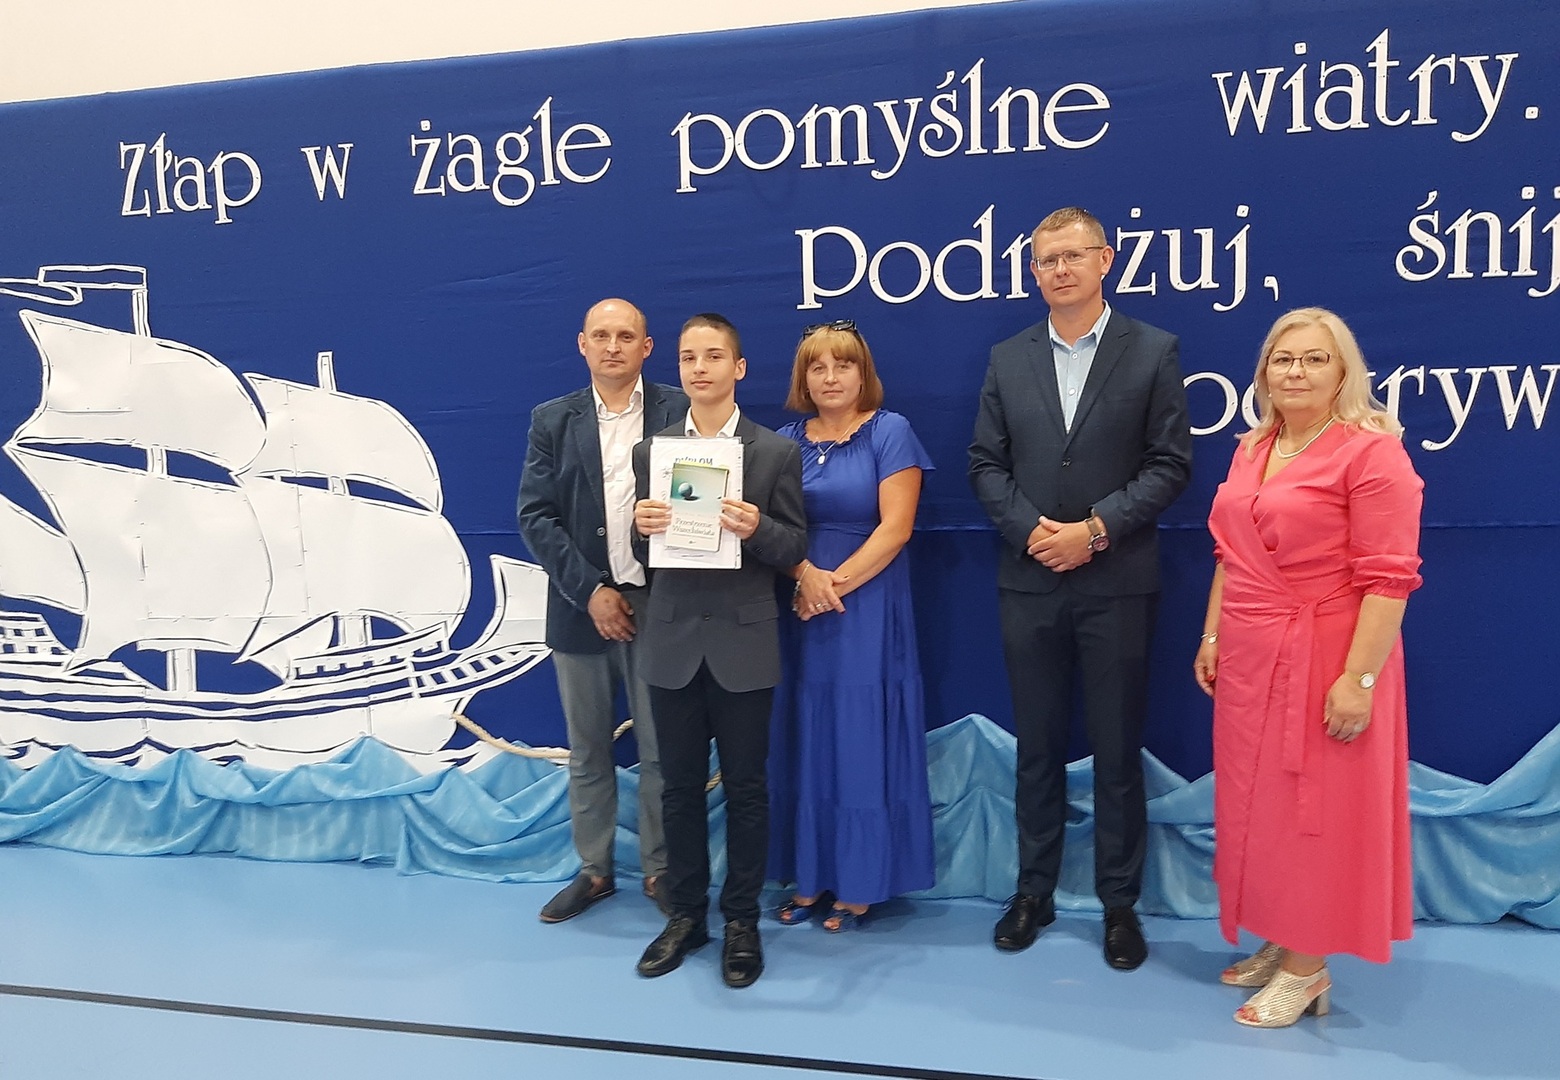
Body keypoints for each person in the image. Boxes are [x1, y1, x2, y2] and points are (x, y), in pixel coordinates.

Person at [968, 206, 1192, 971]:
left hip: (1117, 582)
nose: (1059, 270)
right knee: (1036, 746)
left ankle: (1119, 904)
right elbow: (984, 464)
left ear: (1105, 260)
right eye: (1046, 260)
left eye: (1072, 256)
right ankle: (1033, 892)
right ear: (1034, 272)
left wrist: (1093, 532)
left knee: (1116, 749)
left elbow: (1170, 464)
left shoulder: (1152, 349)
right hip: (1029, 578)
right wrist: (1032, 531)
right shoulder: (1008, 357)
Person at [1193, 307, 1422, 1027]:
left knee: (1312, 813)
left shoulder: (1373, 453)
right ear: (1264, 371)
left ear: (1344, 371)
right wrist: (1212, 634)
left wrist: (1359, 680)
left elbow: (1389, 579)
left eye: (1315, 359)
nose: (1296, 371)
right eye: (1283, 358)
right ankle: (1284, 933)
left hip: (1329, 654)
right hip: (1250, 654)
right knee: (1259, 807)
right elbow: (1231, 553)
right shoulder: (1253, 447)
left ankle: (1307, 968)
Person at [631, 312, 808, 988]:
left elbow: (794, 547)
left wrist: (759, 527)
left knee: (746, 789)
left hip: (744, 641)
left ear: (739, 368)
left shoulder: (774, 453)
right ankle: (685, 915)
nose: (699, 368)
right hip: (672, 639)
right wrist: (641, 526)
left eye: (712, 356)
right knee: (676, 788)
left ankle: (741, 920)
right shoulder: (653, 453)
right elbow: (646, 546)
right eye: (687, 357)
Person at [517, 299, 687, 923]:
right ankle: (595, 871)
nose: (613, 346)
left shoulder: (680, 411)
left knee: (662, 749)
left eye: (625, 336)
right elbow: (535, 516)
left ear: (647, 347)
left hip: (661, 606)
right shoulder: (551, 420)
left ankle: (661, 870)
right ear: (582, 344)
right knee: (588, 749)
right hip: (579, 608)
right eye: (601, 336)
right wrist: (590, 592)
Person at [766, 320, 936, 932]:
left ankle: (861, 881)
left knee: (859, 737)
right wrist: (804, 578)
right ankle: (811, 876)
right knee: (807, 735)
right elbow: (770, 529)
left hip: (865, 605)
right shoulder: (782, 442)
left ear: (863, 374)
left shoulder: (890, 432)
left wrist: (828, 587)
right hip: (799, 603)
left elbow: (896, 528)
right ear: (803, 379)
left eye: (843, 365)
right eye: (817, 367)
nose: (831, 377)